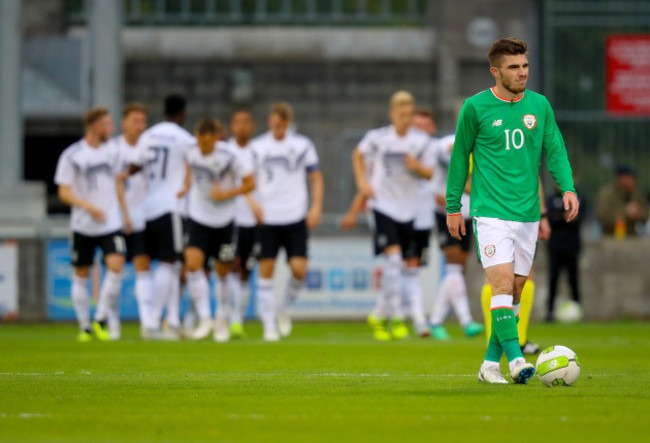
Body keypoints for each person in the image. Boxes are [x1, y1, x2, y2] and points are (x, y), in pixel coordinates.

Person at [446, 38, 579, 384]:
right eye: (513, 67)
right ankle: (518, 360)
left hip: (528, 215)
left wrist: (567, 188)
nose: (522, 73)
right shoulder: (474, 108)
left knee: (517, 290)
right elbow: (460, 158)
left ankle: (490, 365)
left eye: (525, 66)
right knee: (502, 284)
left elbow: (556, 150)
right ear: (495, 72)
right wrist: (452, 207)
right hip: (490, 212)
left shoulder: (540, 105)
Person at [353, 91, 433, 341]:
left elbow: (430, 174)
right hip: (383, 206)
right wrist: (361, 182)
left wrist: (417, 167)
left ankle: (378, 314)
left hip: (408, 211)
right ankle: (397, 318)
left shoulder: (421, 141)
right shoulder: (378, 138)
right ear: (392, 114)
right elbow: (357, 154)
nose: (406, 119)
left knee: (399, 266)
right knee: (395, 260)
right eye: (401, 114)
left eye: (409, 114)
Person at [250, 102, 324, 341]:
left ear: (288, 123)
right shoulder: (258, 147)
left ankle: (283, 308)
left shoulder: (302, 145)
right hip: (268, 217)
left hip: (295, 216)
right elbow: (247, 181)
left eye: (283, 125)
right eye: (276, 124)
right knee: (266, 270)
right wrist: (253, 204)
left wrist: (316, 206)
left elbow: (316, 178)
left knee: (299, 270)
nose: (279, 128)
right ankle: (269, 325)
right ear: (270, 121)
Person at [54, 107, 126, 342]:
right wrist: (88, 206)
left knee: (116, 265)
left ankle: (101, 318)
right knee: (81, 274)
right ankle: (84, 325)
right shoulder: (72, 155)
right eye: (108, 124)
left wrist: (124, 214)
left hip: (111, 223)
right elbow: (64, 192)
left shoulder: (113, 151)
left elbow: (117, 183)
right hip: (84, 224)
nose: (112, 129)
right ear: (96, 126)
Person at [181, 118, 255, 342]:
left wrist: (225, 194)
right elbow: (189, 174)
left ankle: (222, 316)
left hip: (224, 221)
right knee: (193, 265)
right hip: (198, 217)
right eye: (199, 142)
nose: (202, 147)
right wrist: (184, 188)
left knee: (222, 273)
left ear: (215, 139)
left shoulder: (230, 157)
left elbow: (250, 184)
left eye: (206, 143)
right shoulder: (191, 153)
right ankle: (205, 318)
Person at [133, 94, 195, 340]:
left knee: (163, 265)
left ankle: (168, 319)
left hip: (147, 207)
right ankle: (153, 323)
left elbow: (136, 165)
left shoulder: (147, 136)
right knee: (170, 263)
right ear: (182, 113)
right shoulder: (184, 139)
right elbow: (195, 165)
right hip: (172, 206)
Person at [480, 178, 550, 355]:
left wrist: (542, 215)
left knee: (524, 275)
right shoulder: (484, 150)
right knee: (495, 277)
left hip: (524, 215)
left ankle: (519, 339)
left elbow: (534, 176)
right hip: (492, 216)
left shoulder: (526, 149)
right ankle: (495, 341)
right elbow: (466, 179)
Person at [428, 135, 484, 340]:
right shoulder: (445, 144)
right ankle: (466, 321)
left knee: (458, 270)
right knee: (453, 267)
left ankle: (435, 320)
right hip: (447, 212)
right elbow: (451, 168)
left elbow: (470, 181)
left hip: (468, 214)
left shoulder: (483, 142)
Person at [113, 102, 149, 340]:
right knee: (114, 271)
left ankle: (148, 323)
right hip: (116, 220)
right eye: (134, 121)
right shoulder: (114, 150)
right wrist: (123, 214)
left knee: (143, 269)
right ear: (124, 122)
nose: (139, 126)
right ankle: (112, 324)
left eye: (142, 121)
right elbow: (114, 184)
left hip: (143, 218)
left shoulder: (148, 149)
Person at [226, 110, 262, 339]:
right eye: (237, 122)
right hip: (230, 217)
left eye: (246, 122)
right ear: (232, 126)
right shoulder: (226, 150)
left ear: (252, 126)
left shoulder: (259, 151)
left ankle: (238, 315)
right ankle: (233, 318)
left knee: (247, 271)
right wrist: (249, 199)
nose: (242, 126)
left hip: (254, 220)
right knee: (231, 265)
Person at [547, 181, 585, 322]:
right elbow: (551, 218)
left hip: (572, 246)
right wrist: (563, 217)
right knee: (553, 279)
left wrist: (561, 217)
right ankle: (549, 312)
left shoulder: (579, 198)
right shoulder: (551, 199)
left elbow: (579, 218)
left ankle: (578, 310)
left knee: (573, 279)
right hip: (555, 246)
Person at [597, 166, 648, 237]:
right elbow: (603, 217)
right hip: (611, 237)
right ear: (621, 178)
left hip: (632, 236)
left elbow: (646, 213)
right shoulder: (607, 194)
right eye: (629, 178)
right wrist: (626, 212)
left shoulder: (637, 194)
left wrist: (637, 214)